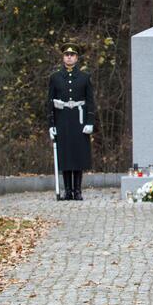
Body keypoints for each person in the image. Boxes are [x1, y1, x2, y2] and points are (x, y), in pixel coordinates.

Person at [47, 42, 96, 200]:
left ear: (76, 58)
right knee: (66, 155)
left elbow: (90, 101)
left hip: (79, 119)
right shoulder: (55, 78)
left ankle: (77, 190)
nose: (69, 57)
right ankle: (68, 190)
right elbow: (49, 102)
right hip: (62, 120)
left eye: (72, 55)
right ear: (63, 58)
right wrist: (51, 124)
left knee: (78, 155)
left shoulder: (84, 77)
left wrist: (90, 122)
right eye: (66, 55)